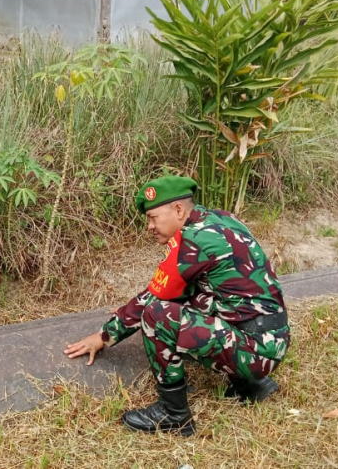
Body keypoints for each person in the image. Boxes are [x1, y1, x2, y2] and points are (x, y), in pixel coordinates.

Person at [64, 175, 290, 436]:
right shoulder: (219, 218)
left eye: (153, 218)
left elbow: (153, 298)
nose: (149, 226)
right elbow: (181, 289)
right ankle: (250, 385)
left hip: (256, 350)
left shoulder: (193, 240)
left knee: (156, 315)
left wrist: (103, 336)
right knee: (186, 299)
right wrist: (130, 310)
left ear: (179, 210)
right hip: (271, 338)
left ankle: (173, 414)